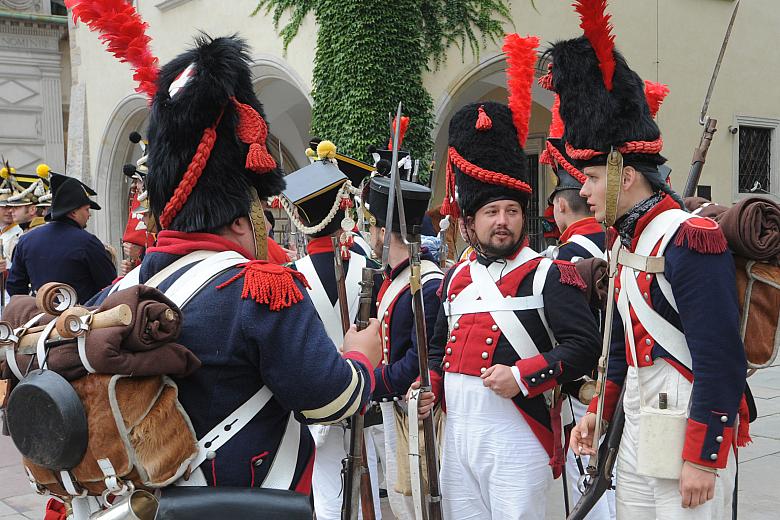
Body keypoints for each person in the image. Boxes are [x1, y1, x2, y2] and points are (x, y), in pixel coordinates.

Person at [89, 35, 382, 497]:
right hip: (249, 498)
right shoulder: (259, 289)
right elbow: (331, 400)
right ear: (246, 218)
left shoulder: (116, 291)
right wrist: (363, 356)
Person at [551, 3, 749, 518]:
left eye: (592, 179)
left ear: (625, 174)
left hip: (686, 422)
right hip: (638, 422)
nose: (585, 192)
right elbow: (620, 351)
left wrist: (705, 458)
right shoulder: (624, 242)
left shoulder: (689, 237)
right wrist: (598, 411)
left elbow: (720, 357)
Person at [411, 47, 601, 516]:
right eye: (491, 212)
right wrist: (428, 384)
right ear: (470, 222)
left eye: (512, 211)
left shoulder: (549, 273)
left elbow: (583, 347)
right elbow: (438, 348)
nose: (503, 222)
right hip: (459, 436)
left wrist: (522, 376)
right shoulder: (455, 279)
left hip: (520, 436)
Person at [279, 140, 383, 519]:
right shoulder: (372, 272)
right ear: (344, 209)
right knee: (363, 489)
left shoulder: (288, 278)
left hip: (316, 404)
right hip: (364, 395)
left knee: (326, 502)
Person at [541, 97, 613, 519]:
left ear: (562, 206)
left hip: (586, 389)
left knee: (589, 484)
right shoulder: (621, 243)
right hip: (621, 381)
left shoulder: (561, 260)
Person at [364, 174, 443, 519]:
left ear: (383, 232)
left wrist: (369, 382)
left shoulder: (425, 283)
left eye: (372, 229)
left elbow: (417, 362)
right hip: (394, 407)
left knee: (421, 504)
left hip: (415, 411)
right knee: (403, 502)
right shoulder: (394, 278)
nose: (369, 236)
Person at [6, 173, 116, 303]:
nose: (89, 215)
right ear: (73, 212)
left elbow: (15, 288)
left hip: (40, 319)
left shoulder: (26, 240)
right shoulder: (88, 242)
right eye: (86, 209)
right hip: (80, 319)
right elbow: (110, 286)